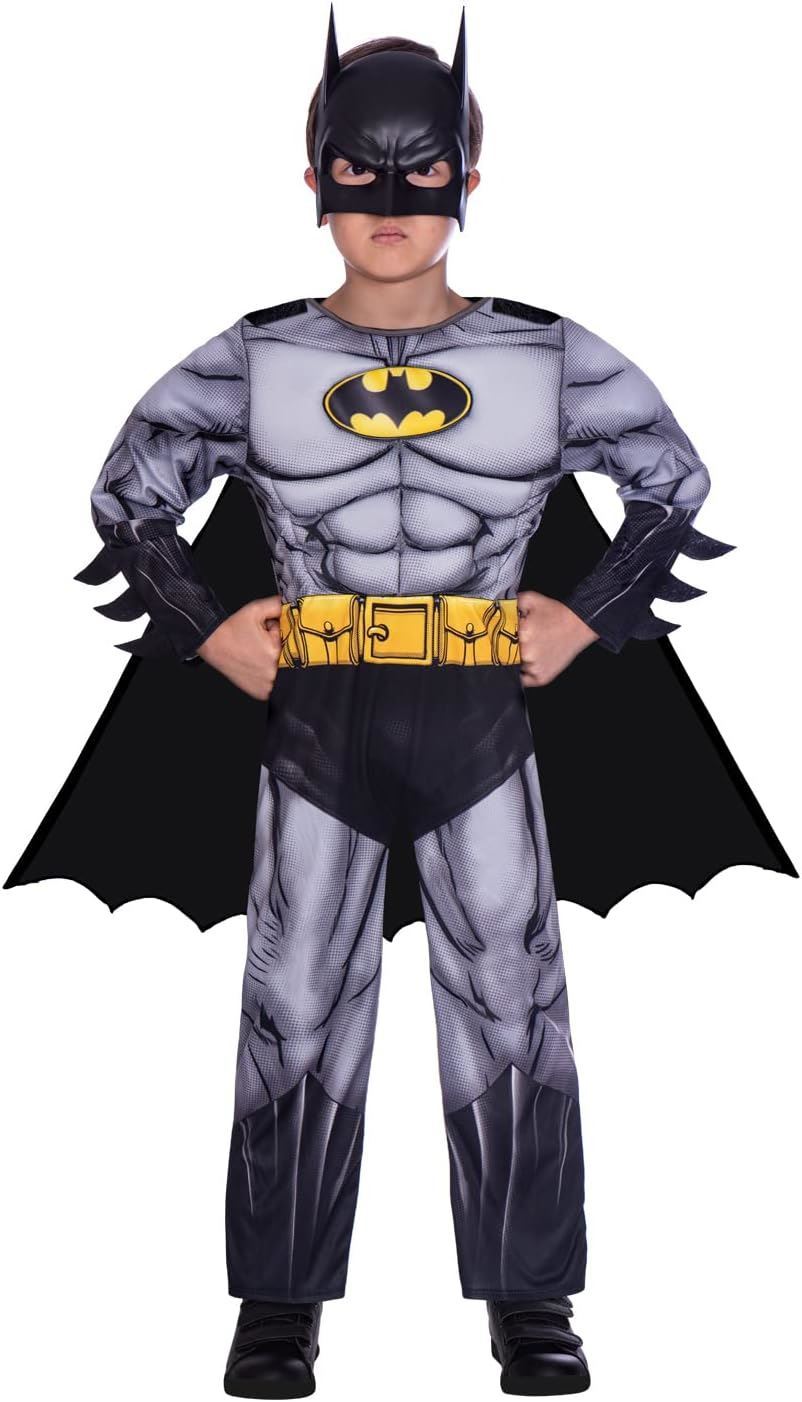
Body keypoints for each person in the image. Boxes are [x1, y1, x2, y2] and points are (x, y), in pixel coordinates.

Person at [4, 7, 798, 1398]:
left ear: (467, 181)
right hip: (315, 720)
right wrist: (207, 628)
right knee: (293, 1005)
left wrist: (585, 611)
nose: (388, 202)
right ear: (312, 177)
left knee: (513, 1001)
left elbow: (673, 479)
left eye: (420, 172)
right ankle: (278, 1309)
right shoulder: (255, 360)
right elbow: (127, 493)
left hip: (481, 716)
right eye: (356, 170)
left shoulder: (545, 357)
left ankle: (532, 1304)